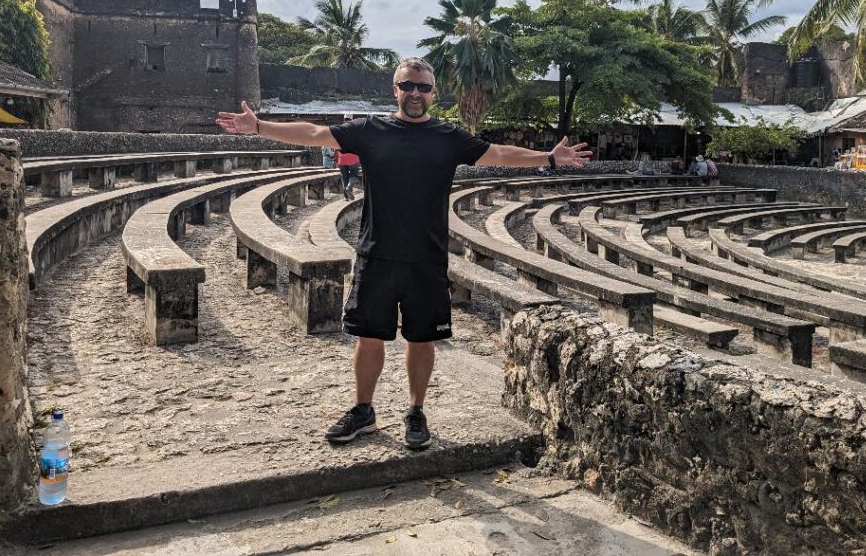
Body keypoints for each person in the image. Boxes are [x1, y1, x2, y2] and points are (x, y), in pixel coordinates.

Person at [215, 57, 591, 450]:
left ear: (433, 93)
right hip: (376, 251)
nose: (415, 93)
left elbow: (497, 153)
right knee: (368, 336)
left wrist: (548, 158)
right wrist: (259, 127)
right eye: (407, 86)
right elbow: (313, 132)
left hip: (426, 256)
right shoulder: (371, 130)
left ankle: (416, 410)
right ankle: (363, 409)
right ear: (395, 90)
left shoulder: (447, 136)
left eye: (423, 87)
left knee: (421, 338)